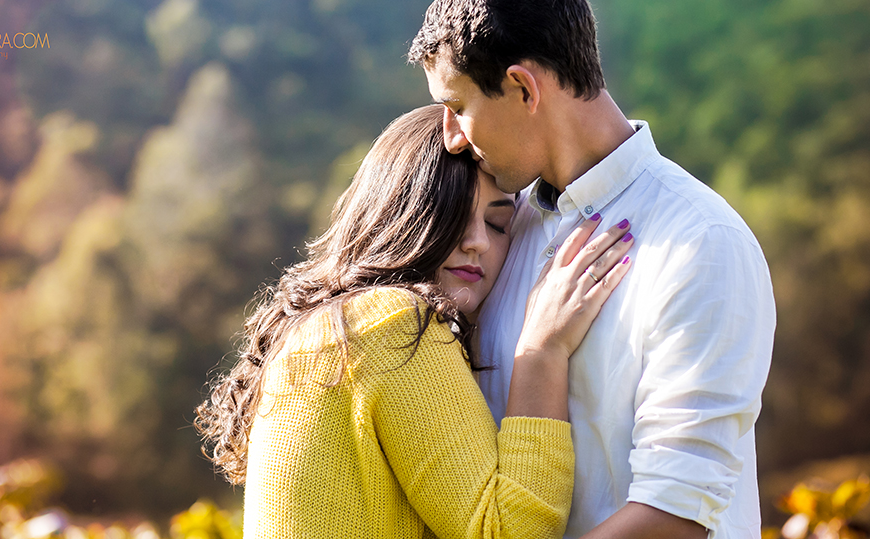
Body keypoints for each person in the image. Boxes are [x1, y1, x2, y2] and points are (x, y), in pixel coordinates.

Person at [407, 0, 776, 539]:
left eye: (457, 108)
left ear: (522, 87)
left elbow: (677, 515)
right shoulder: (500, 236)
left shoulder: (701, 242)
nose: (450, 136)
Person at [196, 104, 635, 539]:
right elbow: (509, 531)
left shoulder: (331, 326)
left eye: (497, 223)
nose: (477, 242)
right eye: (451, 215)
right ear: (400, 216)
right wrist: (542, 349)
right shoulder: (388, 322)